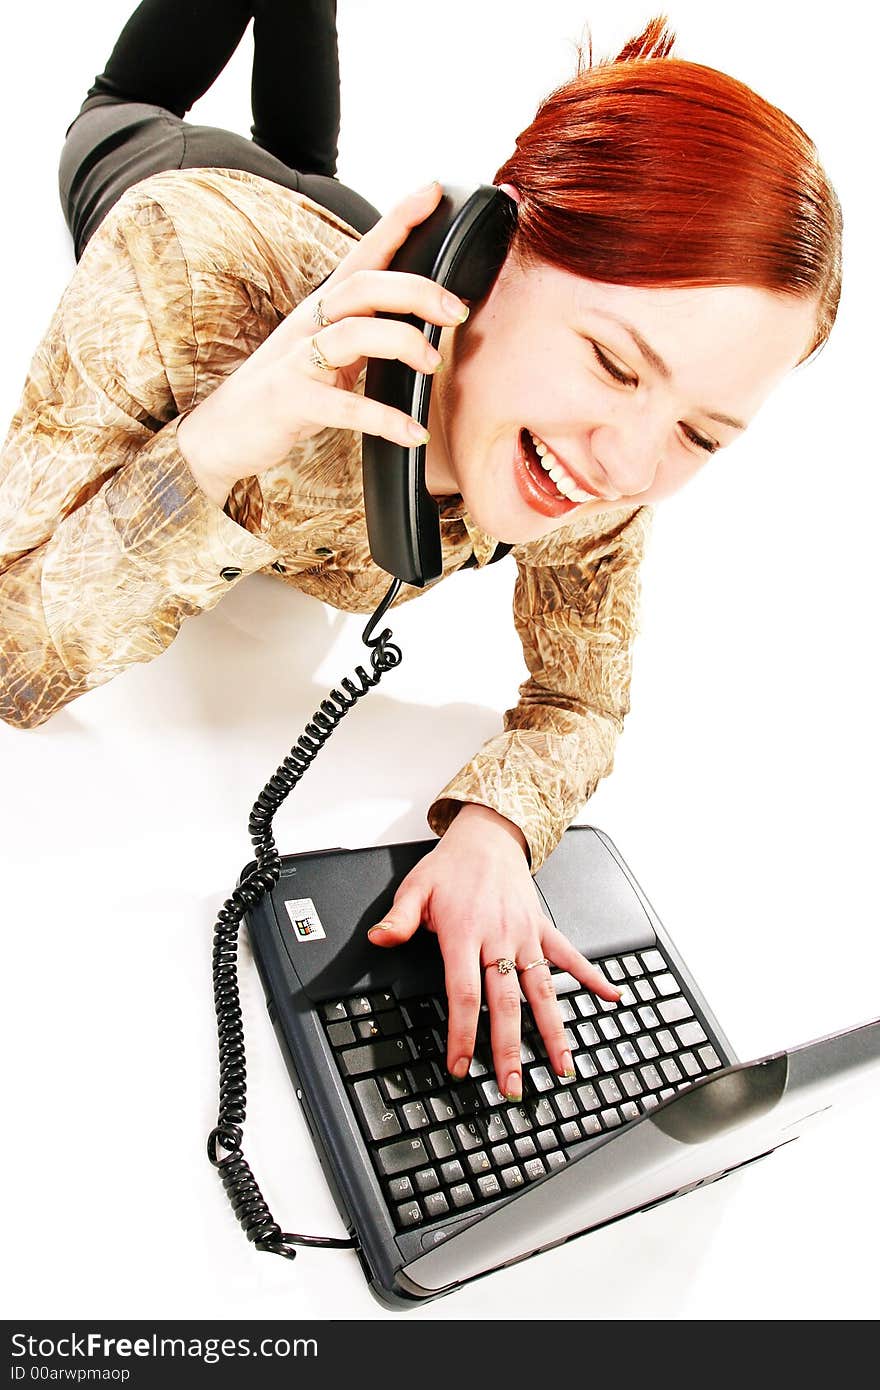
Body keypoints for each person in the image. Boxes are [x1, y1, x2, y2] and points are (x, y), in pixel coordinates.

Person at [0, 3, 841, 1108]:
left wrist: (497, 827)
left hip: (332, 216)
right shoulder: (177, 262)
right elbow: (14, 654)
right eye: (612, 364)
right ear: (482, 258)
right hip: (170, 172)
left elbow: (583, 701)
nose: (628, 463)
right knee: (124, 105)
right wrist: (220, 440)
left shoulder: (608, 468)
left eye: (698, 433)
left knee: (308, 160)